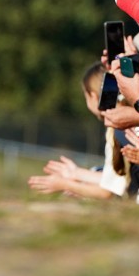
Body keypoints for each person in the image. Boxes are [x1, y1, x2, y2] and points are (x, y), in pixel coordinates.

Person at [28, 62, 127, 200]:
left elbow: (108, 192)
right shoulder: (124, 118)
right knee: (96, 171)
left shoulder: (116, 128)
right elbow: (115, 179)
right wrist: (76, 173)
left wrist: (65, 185)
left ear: (93, 96)